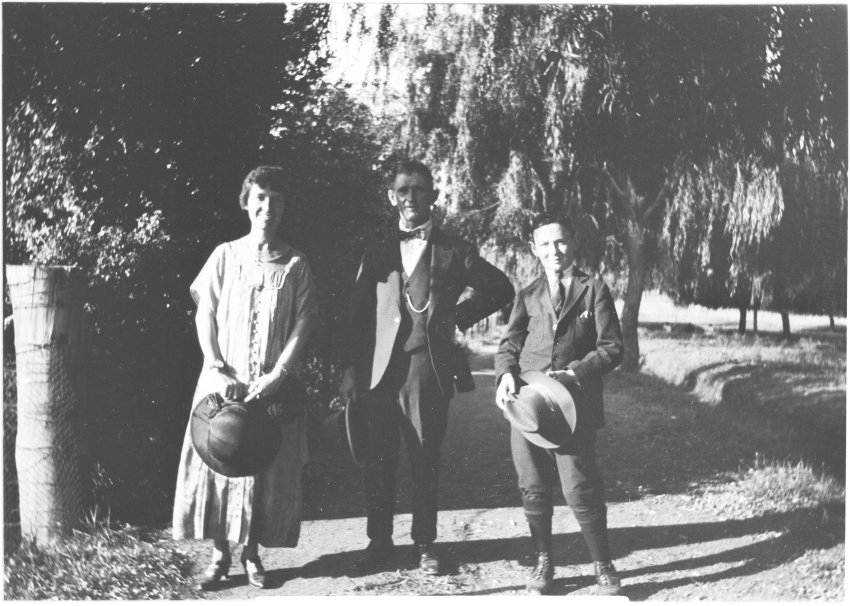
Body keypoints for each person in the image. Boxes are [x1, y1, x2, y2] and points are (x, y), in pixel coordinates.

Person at [338, 159, 514, 576]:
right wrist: (348, 369)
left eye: (419, 189)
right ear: (392, 197)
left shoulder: (455, 250)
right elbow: (356, 313)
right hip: (378, 372)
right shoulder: (376, 250)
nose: (411, 197)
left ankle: (424, 544)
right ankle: (379, 543)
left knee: (424, 458)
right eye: (403, 190)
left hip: (427, 369)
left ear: (433, 196)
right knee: (378, 459)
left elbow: (501, 287)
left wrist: (457, 317)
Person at [172, 166, 318, 590]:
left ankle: (252, 554)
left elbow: (304, 323)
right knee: (220, 458)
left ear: (285, 207)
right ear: (246, 202)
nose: (267, 207)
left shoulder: (296, 265)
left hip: (270, 387)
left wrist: (278, 375)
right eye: (260, 197)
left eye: (276, 199)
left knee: (262, 465)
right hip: (221, 384)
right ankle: (219, 557)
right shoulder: (225, 255)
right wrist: (217, 365)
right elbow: (205, 312)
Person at [494, 214, 624, 596]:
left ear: (574, 243)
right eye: (545, 244)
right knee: (533, 486)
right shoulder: (528, 294)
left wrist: (575, 373)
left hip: (573, 407)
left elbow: (612, 348)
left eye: (561, 242)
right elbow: (509, 345)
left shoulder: (594, 289)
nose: (554, 251)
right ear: (534, 250)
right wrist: (505, 375)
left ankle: (603, 564)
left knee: (579, 487)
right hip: (528, 405)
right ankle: (543, 562)